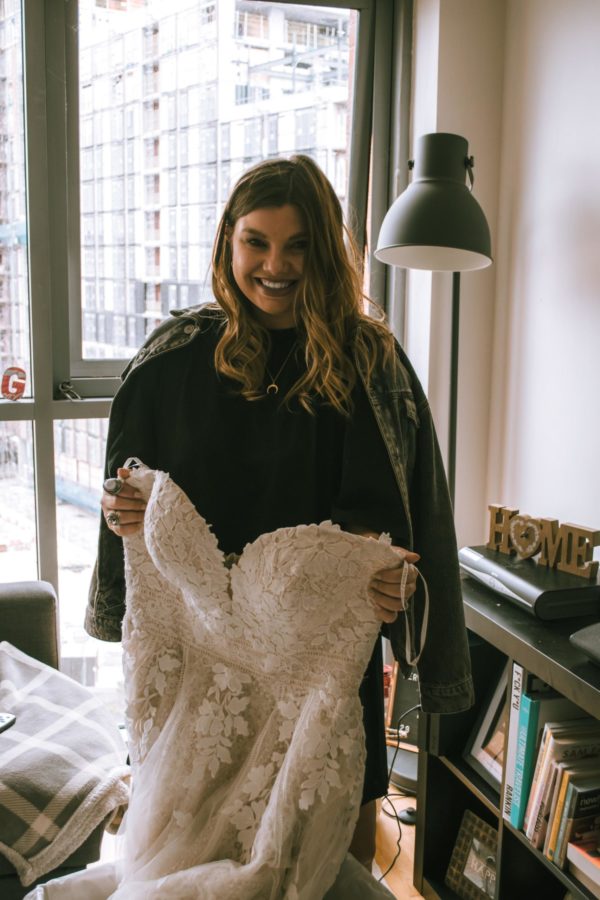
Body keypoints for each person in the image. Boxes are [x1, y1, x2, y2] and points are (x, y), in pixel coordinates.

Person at [86, 154, 474, 877]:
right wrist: (120, 509)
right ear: (227, 242)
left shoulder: (371, 365)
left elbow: (404, 524)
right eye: (257, 242)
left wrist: (396, 582)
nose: (276, 265)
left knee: (330, 863)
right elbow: (128, 491)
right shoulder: (173, 359)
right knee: (185, 853)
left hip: (319, 671)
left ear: (325, 251)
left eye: (298, 245)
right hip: (201, 672)